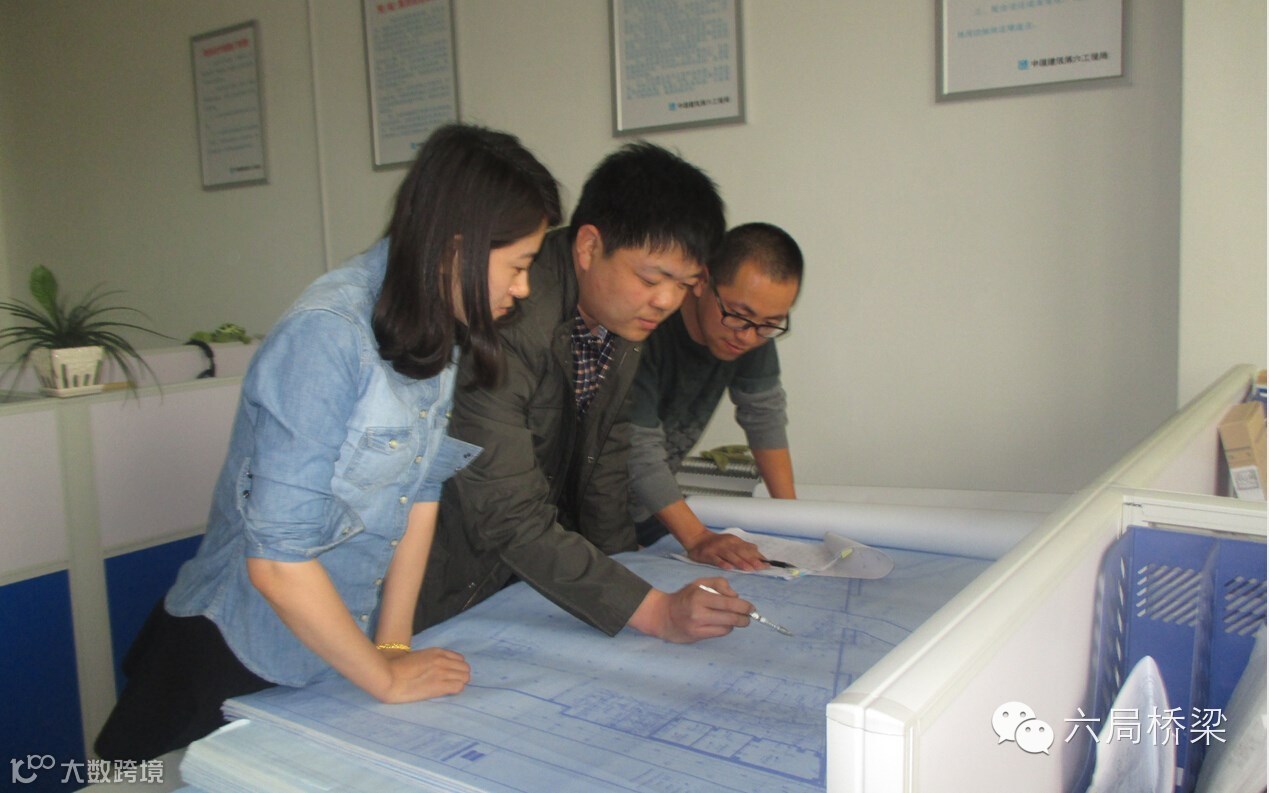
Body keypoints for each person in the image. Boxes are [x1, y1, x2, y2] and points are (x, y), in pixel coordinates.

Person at [94, 123, 562, 761]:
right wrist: (385, 677)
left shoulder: (436, 322)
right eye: (519, 266)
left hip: (341, 651)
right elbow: (277, 562)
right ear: (457, 249)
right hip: (237, 652)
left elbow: (419, 492)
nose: (524, 288)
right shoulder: (328, 333)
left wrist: (391, 646)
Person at [414, 142, 756, 643]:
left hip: (523, 572)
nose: (665, 302)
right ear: (590, 247)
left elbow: (606, 464)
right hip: (451, 577)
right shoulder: (509, 318)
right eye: (652, 278)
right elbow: (505, 510)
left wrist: (630, 573)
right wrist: (652, 611)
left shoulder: (620, 316)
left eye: (684, 284)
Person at [627, 222, 803, 570]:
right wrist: (697, 538)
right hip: (591, 507)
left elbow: (764, 415)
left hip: (650, 508)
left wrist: (793, 523)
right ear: (702, 281)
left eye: (770, 324)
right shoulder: (646, 328)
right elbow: (637, 450)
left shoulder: (750, 332)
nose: (749, 337)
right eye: (739, 316)